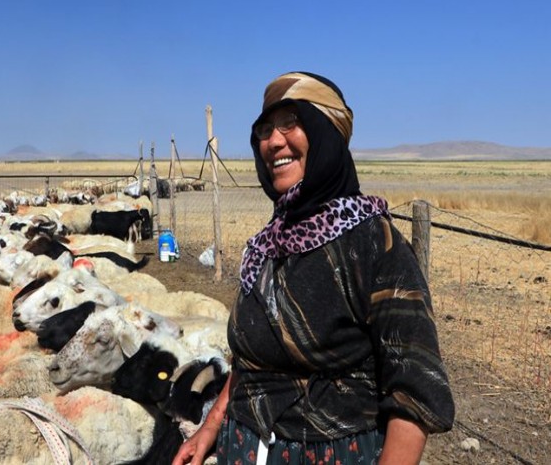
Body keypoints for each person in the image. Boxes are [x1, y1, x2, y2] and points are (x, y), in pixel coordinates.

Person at [172, 72, 454, 465]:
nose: (273, 141)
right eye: (265, 129)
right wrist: (210, 427)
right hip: (243, 449)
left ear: (325, 133)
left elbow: (416, 391)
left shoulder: (375, 245)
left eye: (290, 122)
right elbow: (251, 361)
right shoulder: (267, 247)